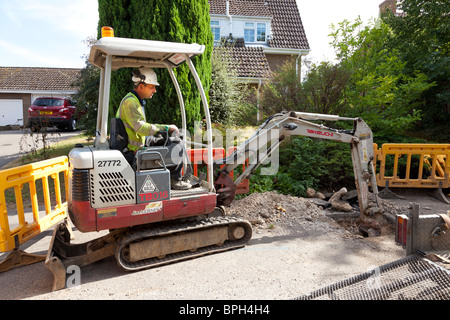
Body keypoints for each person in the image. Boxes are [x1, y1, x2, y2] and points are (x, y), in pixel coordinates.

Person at [116, 67, 191, 190]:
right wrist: (166, 127)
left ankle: (175, 177)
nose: (155, 90)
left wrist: (162, 132)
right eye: (152, 87)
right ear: (141, 86)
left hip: (139, 143)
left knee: (173, 139)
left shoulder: (134, 100)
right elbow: (140, 127)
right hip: (134, 150)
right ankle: (175, 180)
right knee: (177, 144)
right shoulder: (131, 102)